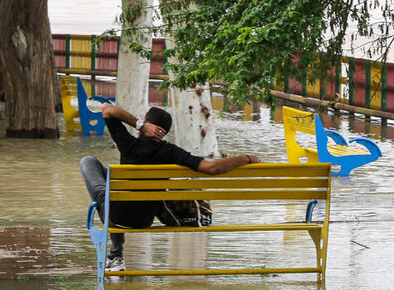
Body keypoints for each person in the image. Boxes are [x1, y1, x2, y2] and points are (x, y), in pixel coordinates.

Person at [80, 102, 261, 271]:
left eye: (145, 121)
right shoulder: (171, 152)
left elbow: (106, 109)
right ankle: (115, 255)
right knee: (117, 190)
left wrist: (139, 124)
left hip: (114, 215)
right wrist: (246, 158)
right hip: (143, 221)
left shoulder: (129, 144)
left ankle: (116, 255)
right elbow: (211, 168)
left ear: (149, 125)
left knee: (89, 162)